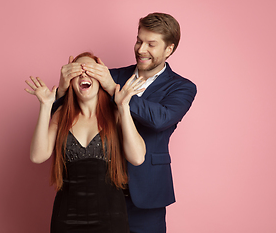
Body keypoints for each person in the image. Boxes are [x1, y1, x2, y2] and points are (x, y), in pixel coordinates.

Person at [56, 13, 197, 233]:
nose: (141, 49)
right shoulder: (111, 75)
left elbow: (161, 119)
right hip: (100, 192)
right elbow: (68, 112)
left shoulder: (182, 87)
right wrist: (62, 89)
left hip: (146, 195)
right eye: (139, 40)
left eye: (151, 44)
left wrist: (114, 90)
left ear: (169, 49)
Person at [25, 52, 146, 233]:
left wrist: (124, 107)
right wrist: (45, 106)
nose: (84, 75)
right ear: (69, 82)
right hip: (67, 217)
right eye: (77, 71)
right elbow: (37, 156)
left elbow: (137, 158)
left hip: (111, 217)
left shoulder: (116, 113)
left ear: (102, 78)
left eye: (90, 70)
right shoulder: (62, 115)